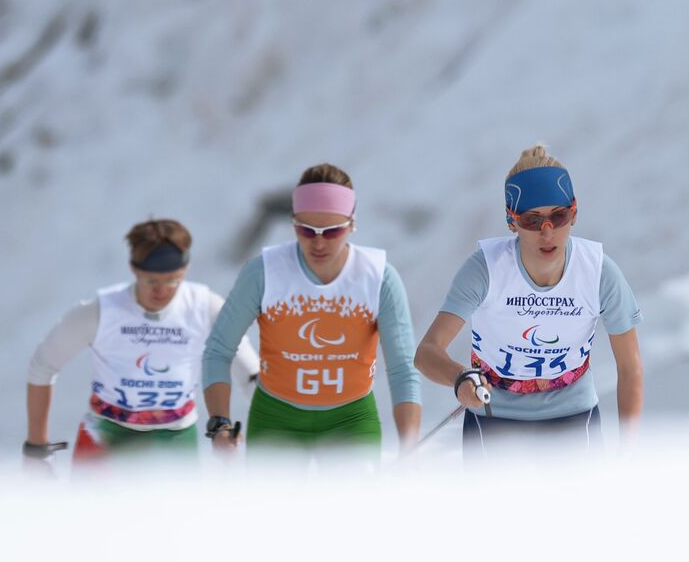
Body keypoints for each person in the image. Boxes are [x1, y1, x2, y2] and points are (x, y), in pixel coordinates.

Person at [415, 145, 643, 458]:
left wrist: (627, 451)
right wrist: (460, 378)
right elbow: (427, 352)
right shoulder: (485, 269)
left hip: (572, 415)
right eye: (532, 221)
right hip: (494, 415)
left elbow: (630, 367)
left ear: (573, 214)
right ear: (512, 222)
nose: (546, 233)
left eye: (557, 217)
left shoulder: (599, 272)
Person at [202, 163, 421, 460]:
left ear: (352, 224)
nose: (318, 242)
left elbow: (402, 368)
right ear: (293, 223)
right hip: (277, 419)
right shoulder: (263, 273)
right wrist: (219, 423)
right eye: (307, 230)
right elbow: (218, 349)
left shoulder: (378, 277)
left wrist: (409, 445)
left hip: (350, 420)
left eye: (332, 232)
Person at [24, 219, 259, 466]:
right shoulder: (101, 312)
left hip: (175, 438)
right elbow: (43, 366)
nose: (162, 291)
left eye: (172, 280)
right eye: (151, 281)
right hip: (106, 435)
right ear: (134, 270)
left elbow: (250, 375)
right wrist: (36, 448)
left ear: (186, 270)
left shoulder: (205, 307)